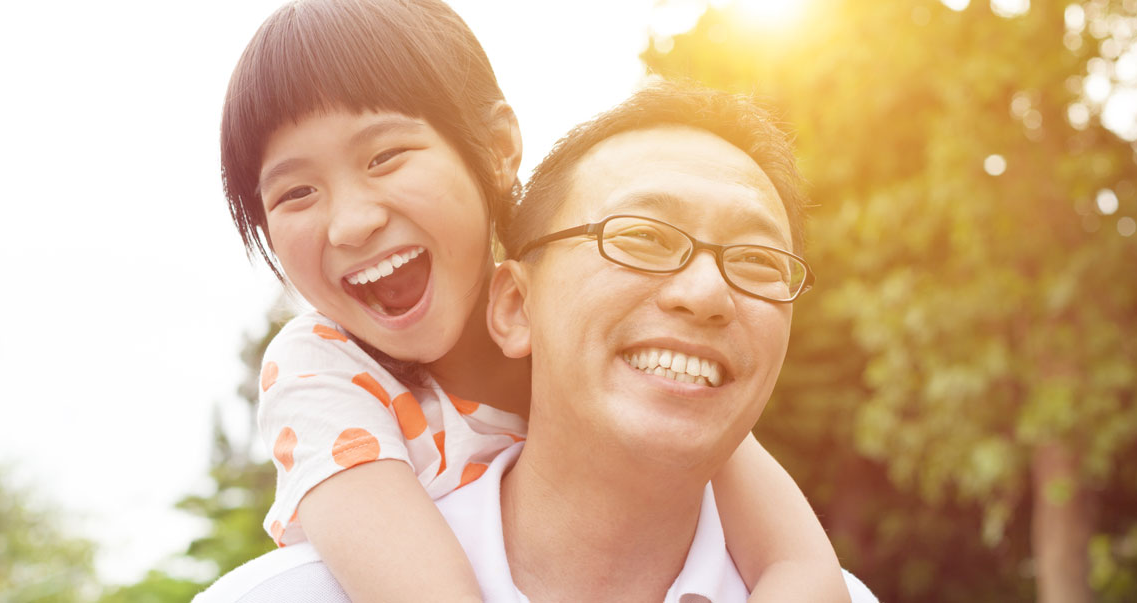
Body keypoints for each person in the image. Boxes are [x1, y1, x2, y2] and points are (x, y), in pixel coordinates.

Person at [214, 0, 848, 600]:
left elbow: (801, 570)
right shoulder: (321, 372)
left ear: (497, 150)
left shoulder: (600, 327)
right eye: (295, 194)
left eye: (385, 156)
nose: (350, 222)